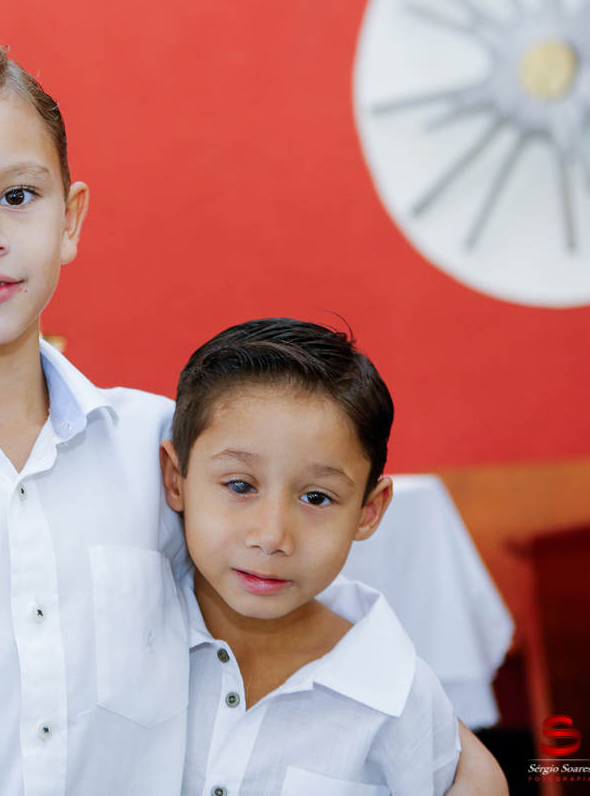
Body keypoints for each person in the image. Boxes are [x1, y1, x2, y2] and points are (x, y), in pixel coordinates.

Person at [0, 30, 508, 796]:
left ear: (69, 218)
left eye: (17, 194)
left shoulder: (163, 452)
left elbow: (298, 610)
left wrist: (443, 754)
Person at [163, 318, 458, 796]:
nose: (272, 537)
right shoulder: (126, 637)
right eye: (240, 486)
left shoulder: (398, 697)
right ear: (176, 479)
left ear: (368, 511)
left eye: (316, 497)